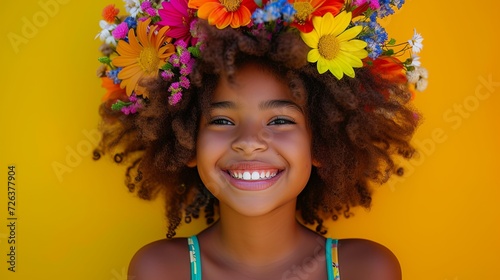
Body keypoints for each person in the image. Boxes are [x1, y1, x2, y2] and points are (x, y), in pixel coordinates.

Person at [94, 1, 427, 279]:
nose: (249, 142)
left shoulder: (365, 270)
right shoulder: (160, 271)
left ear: (322, 143)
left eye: (280, 120)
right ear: (187, 141)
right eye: (222, 120)